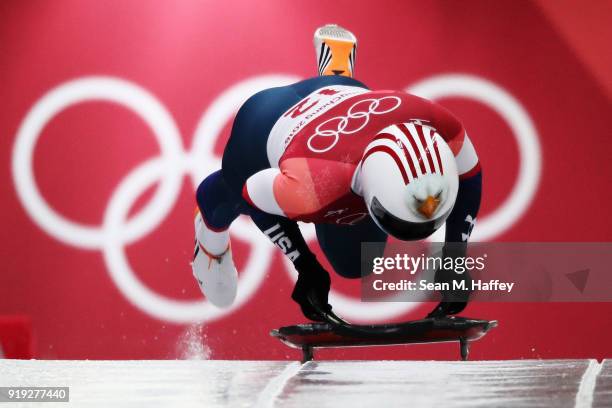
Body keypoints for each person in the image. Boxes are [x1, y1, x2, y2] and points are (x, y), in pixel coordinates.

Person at [191, 24, 482, 321]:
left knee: (353, 263)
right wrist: (305, 265)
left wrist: (455, 257)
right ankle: (210, 225)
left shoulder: (440, 122)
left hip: (350, 109)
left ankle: (335, 76)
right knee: (236, 186)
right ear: (371, 196)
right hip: (263, 125)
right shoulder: (310, 187)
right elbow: (254, 197)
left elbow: (470, 176)